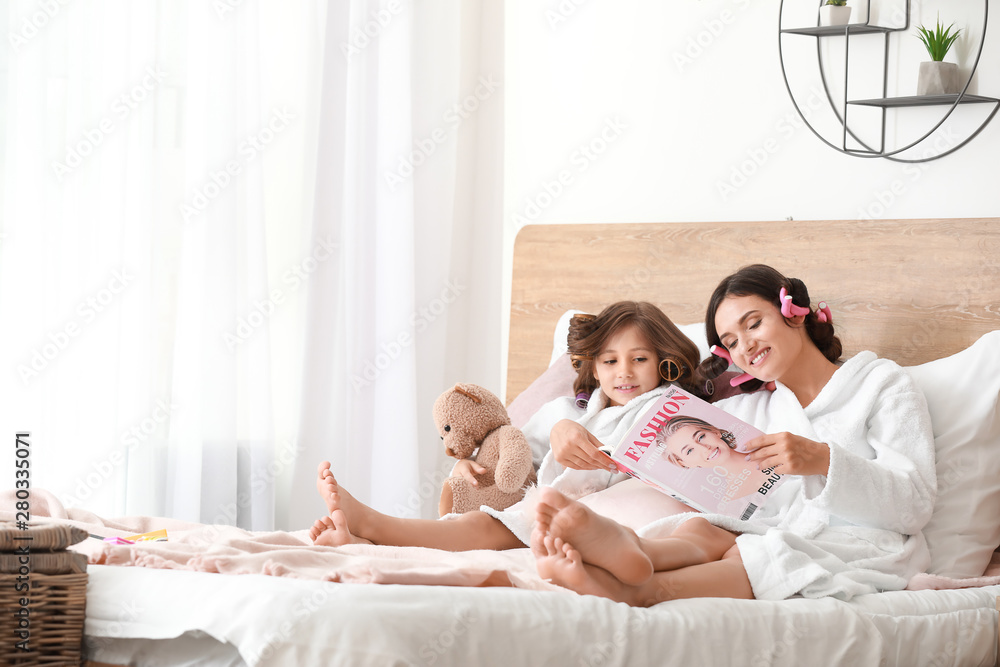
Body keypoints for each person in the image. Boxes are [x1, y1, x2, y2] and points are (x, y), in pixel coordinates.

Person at [530, 264, 937, 605]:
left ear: (794, 313)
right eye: (730, 341)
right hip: (774, 527)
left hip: (865, 542)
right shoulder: (751, 407)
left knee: (758, 553)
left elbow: (915, 503)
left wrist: (824, 461)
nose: (746, 346)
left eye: (754, 323)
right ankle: (636, 551)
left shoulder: (881, 385)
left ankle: (646, 591)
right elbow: (634, 432)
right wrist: (563, 426)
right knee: (703, 528)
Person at [308, 301, 705, 574]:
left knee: (487, 531)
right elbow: (512, 454)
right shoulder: (566, 412)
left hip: (618, 514)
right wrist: (470, 464)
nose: (625, 372)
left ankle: (374, 529)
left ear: (663, 362)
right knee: (483, 526)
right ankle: (369, 536)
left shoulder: (676, 409)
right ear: (594, 369)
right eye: (610, 361)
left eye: (640, 359)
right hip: (550, 509)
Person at [656, 415, 768, 500]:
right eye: (689, 451)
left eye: (701, 437)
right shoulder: (733, 501)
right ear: (684, 463)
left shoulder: (770, 446)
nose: (705, 449)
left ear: (714, 431)